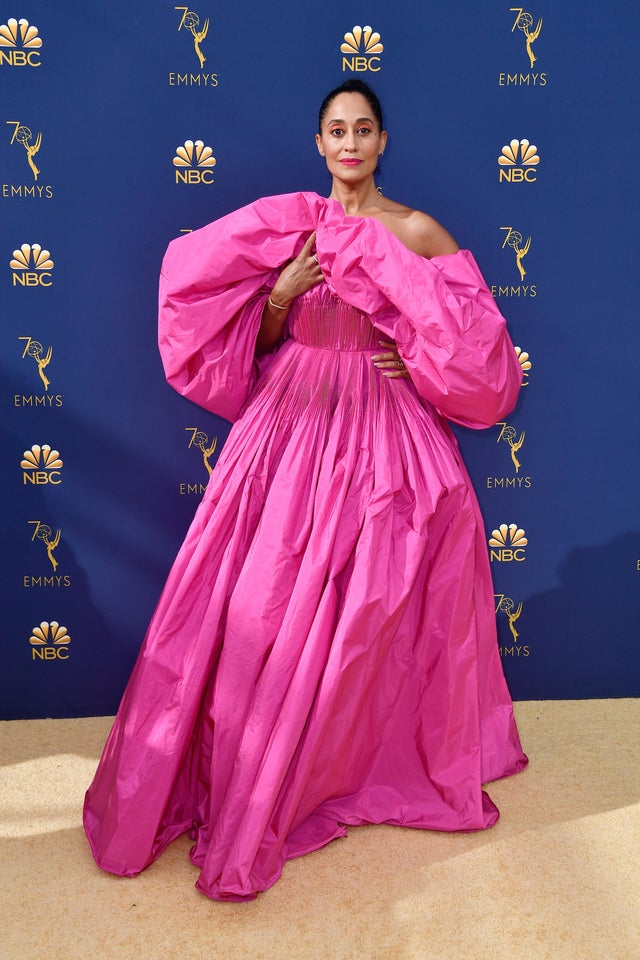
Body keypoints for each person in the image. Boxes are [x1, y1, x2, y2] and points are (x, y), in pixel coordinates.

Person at [84, 79, 528, 902]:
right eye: (336, 130)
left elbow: (476, 349)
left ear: (383, 142)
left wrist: (420, 362)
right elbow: (248, 341)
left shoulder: (417, 230)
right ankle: (247, 765)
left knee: (371, 610)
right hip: (287, 422)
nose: (350, 143)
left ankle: (341, 766)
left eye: (364, 129)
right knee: (259, 600)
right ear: (318, 144)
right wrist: (284, 292)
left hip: (384, 434)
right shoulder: (287, 226)